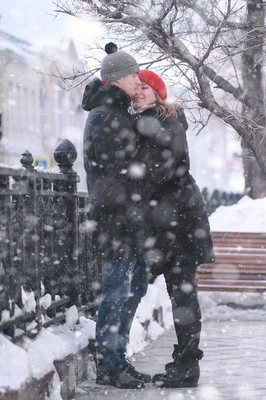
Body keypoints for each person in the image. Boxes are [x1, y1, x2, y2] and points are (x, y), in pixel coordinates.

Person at [132, 69, 215, 388]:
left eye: (144, 88)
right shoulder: (156, 120)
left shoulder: (167, 120)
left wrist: (134, 177)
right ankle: (184, 361)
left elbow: (162, 167)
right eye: (135, 88)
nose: (138, 92)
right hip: (174, 219)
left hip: (179, 221)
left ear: (156, 93)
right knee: (180, 292)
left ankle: (187, 366)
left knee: (182, 294)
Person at [82, 42, 151, 389]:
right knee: (116, 292)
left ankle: (117, 357)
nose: (138, 79)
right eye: (134, 74)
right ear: (118, 79)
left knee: (131, 288)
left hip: (126, 217)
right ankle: (109, 365)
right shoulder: (107, 116)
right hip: (116, 219)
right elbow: (114, 175)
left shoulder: (118, 112)